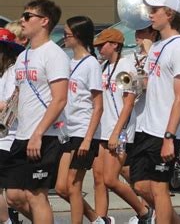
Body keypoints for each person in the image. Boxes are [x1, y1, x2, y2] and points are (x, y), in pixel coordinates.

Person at [3, 0, 70, 223]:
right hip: (22, 134)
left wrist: (38, 134)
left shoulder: (54, 54)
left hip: (45, 135)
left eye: (28, 15)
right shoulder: (23, 57)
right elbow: (20, 96)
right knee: (13, 196)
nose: (22, 19)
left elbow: (60, 99)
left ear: (44, 21)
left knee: (35, 194)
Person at [130, 0, 180, 224]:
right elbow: (152, 83)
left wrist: (169, 137)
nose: (150, 14)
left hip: (165, 129)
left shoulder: (179, 47)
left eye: (155, 10)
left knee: (159, 189)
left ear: (169, 13)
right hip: (146, 126)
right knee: (139, 185)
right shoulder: (156, 46)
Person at [92, 28, 152, 224]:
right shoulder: (104, 67)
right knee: (99, 179)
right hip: (103, 129)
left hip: (120, 130)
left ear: (115, 45)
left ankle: (143, 211)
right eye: (98, 45)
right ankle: (102, 219)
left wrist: (116, 133)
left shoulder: (126, 67)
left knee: (110, 179)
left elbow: (128, 104)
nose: (99, 48)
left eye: (103, 45)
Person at [54, 16, 104, 224]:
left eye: (68, 34)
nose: (65, 37)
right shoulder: (68, 62)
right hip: (69, 132)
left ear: (79, 36)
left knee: (74, 186)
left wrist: (87, 139)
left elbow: (98, 106)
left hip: (84, 132)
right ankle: (97, 220)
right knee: (60, 188)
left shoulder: (91, 64)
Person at [123, 26, 157, 224]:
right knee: (133, 169)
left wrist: (150, 51)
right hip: (135, 121)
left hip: (151, 122)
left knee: (147, 172)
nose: (137, 36)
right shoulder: (129, 57)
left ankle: (153, 210)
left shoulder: (156, 55)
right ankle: (148, 209)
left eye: (142, 32)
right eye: (137, 32)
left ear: (152, 34)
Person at [0, 28, 25, 224]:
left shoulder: (12, 72)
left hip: (8, 138)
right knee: (13, 196)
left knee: (14, 196)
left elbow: (9, 104)